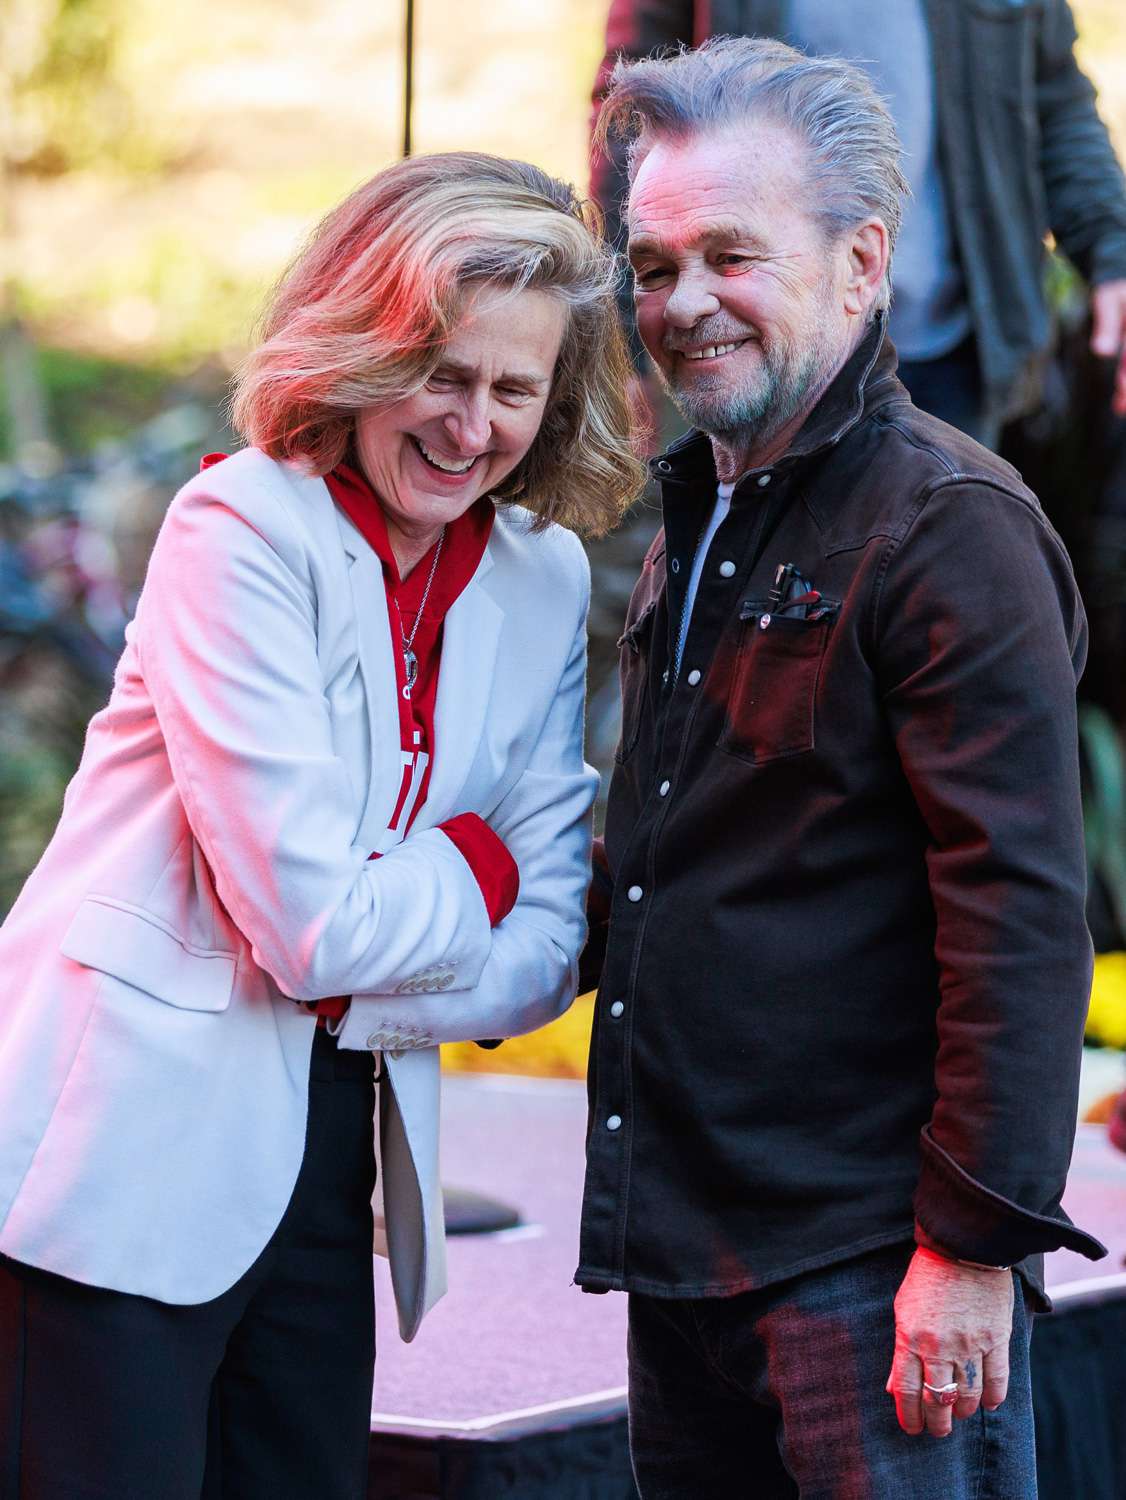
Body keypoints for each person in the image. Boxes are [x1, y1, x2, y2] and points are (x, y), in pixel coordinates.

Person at [0, 151, 643, 1499]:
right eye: (443, 375)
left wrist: (375, 972)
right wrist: (475, 857)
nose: (472, 426)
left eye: (513, 389)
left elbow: (542, 951)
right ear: (361, 351)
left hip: (336, 1150)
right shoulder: (236, 529)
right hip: (121, 1150)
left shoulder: (537, 581)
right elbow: (309, 927)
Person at [576, 37, 1106, 1498]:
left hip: (868, 1272)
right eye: (654, 262)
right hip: (685, 1253)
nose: (681, 304)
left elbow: (1017, 911)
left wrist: (970, 1247)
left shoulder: (950, 526)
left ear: (861, 261)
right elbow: (683, 859)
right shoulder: (694, 517)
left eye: (729, 256)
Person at [591, 0, 1126, 446]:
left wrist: (1110, 247)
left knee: (937, 545)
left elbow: (1055, 97)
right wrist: (621, 328)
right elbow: (632, 104)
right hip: (761, 344)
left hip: (949, 342)